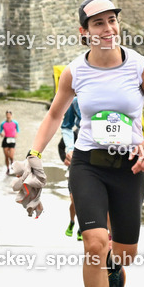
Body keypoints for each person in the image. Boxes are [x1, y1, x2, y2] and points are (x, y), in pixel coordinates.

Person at [10, 0, 144, 287]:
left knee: (125, 253)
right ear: (84, 32)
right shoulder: (75, 72)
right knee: (94, 244)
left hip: (129, 167)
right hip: (88, 165)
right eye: (98, 23)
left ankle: (114, 263)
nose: (108, 28)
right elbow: (54, 115)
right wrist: (34, 153)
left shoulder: (138, 66)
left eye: (112, 20)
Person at [59, 97, 82, 240]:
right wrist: (66, 157)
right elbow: (60, 146)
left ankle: (82, 228)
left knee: (86, 202)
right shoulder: (74, 133)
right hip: (74, 169)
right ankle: (72, 222)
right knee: (74, 201)